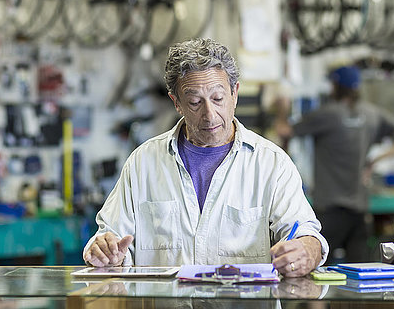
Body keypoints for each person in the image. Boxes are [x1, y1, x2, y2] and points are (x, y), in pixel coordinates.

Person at [83, 38, 328, 277]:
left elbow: (306, 233)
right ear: (176, 102)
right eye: (194, 102)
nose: (209, 115)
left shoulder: (272, 164)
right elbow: (110, 237)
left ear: (235, 93)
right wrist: (105, 252)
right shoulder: (143, 164)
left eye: (218, 99)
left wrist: (308, 249)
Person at [275, 65, 394, 263]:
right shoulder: (372, 114)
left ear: (335, 86)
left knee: (314, 268)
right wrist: (374, 160)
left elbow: (284, 130)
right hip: (360, 213)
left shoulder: (327, 114)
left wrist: (281, 107)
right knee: (359, 274)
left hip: (329, 212)